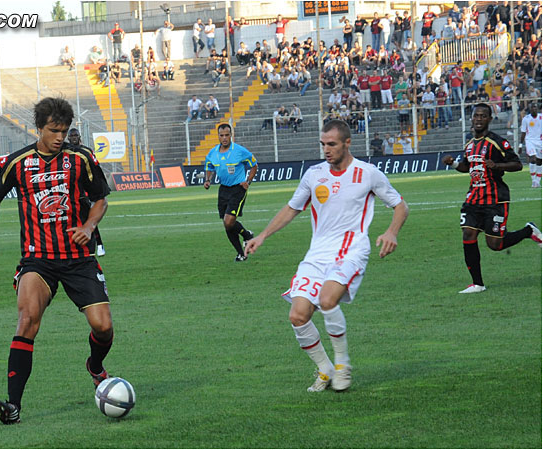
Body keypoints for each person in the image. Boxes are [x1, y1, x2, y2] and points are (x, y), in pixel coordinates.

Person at [245, 119, 409, 393]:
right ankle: (325, 368)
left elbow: (400, 206)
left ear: (347, 143)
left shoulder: (368, 173)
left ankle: (343, 364)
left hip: (351, 249)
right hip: (318, 253)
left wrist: (392, 232)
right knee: (298, 316)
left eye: (331, 144)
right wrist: (262, 236)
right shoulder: (314, 174)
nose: (326, 150)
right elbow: (291, 208)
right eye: (323, 144)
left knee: (328, 299)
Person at [0, 98, 112, 425]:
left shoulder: (80, 158)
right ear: (38, 128)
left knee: (103, 326)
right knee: (27, 319)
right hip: (37, 260)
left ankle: (95, 366)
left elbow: (100, 200)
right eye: (53, 131)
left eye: (64, 131)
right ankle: (13, 407)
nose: (59, 137)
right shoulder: (18, 163)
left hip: (79, 258)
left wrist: (88, 226)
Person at [441, 103, 542, 294]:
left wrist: (497, 166)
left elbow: (517, 165)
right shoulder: (469, 145)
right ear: (472, 119)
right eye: (476, 116)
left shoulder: (497, 142)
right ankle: (477, 283)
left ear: (489, 119)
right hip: (474, 198)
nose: (478, 119)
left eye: (482, 116)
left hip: (495, 199)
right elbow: (467, 167)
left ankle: (528, 231)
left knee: (495, 244)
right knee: (468, 234)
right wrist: (453, 163)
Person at [204, 124, 257, 262]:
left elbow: (254, 165)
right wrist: (207, 180)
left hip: (238, 188)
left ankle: (246, 236)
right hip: (223, 189)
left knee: (229, 222)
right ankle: (242, 251)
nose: (224, 138)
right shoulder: (213, 153)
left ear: (231, 135)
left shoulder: (239, 151)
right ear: (218, 136)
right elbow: (209, 167)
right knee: (227, 224)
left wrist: (248, 181)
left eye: (227, 135)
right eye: (221, 135)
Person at [68, 128, 106, 256]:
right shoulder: (65, 152)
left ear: (79, 137)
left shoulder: (87, 151)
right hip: (74, 190)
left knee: (90, 217)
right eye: (71, 135)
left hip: (87, 190)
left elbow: (95, 167)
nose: (73, 137)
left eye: (75, 135)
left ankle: (99, 244)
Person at [520, 103, 542, 188]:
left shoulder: (541, 117)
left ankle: (538, 181)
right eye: (532, 107)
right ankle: (533, 181)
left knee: (540, 161)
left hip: (540, 142)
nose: (534, 109)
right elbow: (523, 132)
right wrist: (520, 145)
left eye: (535, 107)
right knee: (533, 159)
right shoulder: (526, 119)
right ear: (530, 109)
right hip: (530, 141)